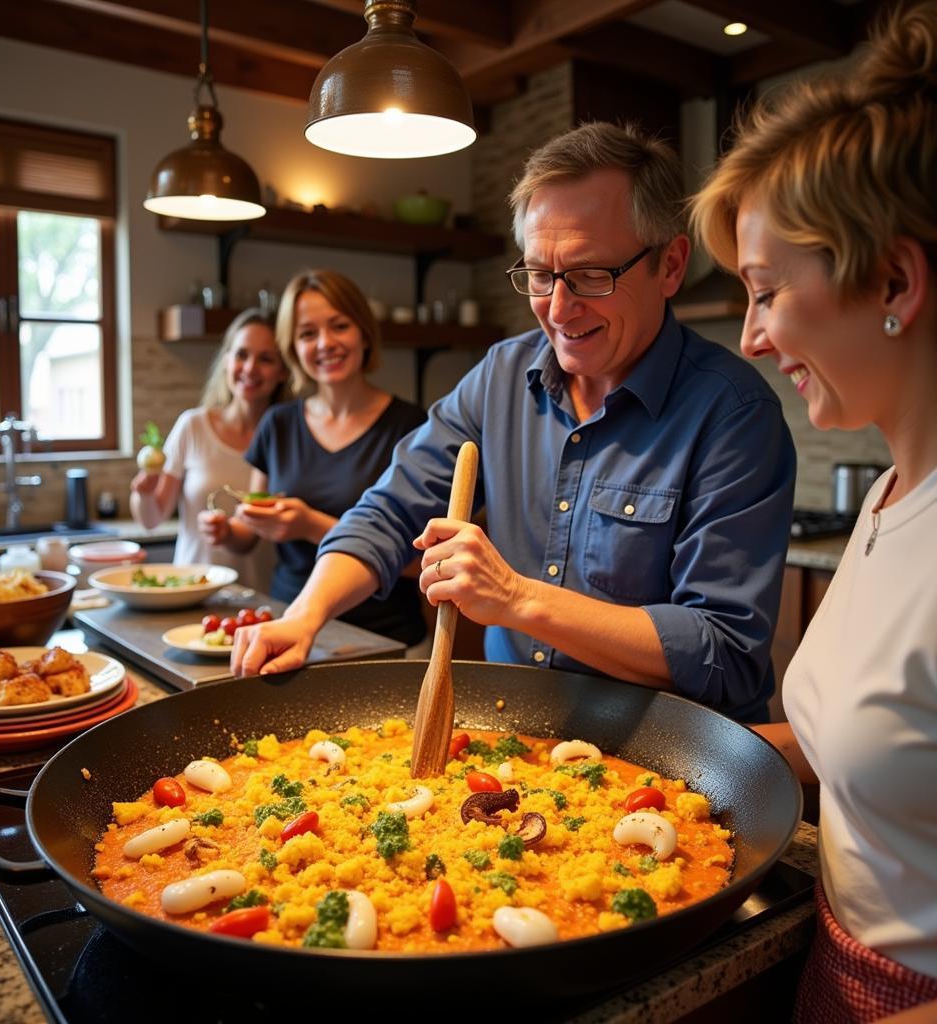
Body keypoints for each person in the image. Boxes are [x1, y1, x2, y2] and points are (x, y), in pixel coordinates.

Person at [229, 121, 797, 723]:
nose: (557, 308)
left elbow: (722, 653)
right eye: (539, 275)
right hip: (514, 737)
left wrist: (518, 598)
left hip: (669, 764)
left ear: (671, 265)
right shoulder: (502, 374)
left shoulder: (733, 414)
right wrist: (305, 615)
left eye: (589, 275)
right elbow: (388, 511)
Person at [689, 3, 937, 1020]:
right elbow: (880, 745)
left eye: (763, 293)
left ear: (892, 279)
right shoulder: (888, 496)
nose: (747, 337)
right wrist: (665, 769)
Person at [198, 269, 427, 646]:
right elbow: (251, 528)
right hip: (289, 628)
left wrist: (311, 525)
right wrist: (228, 532)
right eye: (308, 333)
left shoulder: (410, 426)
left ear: (364, 332)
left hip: (386, 641)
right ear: (293, 347)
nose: (325, 343)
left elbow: (422, 563)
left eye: (339, 326)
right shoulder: (279, 423)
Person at [129, 308, 286, 590]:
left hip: (264, 597)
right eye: (241, 355)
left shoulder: (289, 437)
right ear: (226, 360)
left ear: (283, 370)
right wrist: (145, 494)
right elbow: (152, 520)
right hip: (191, 593)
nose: (250, 368)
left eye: (265, 359)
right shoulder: (193, 426)